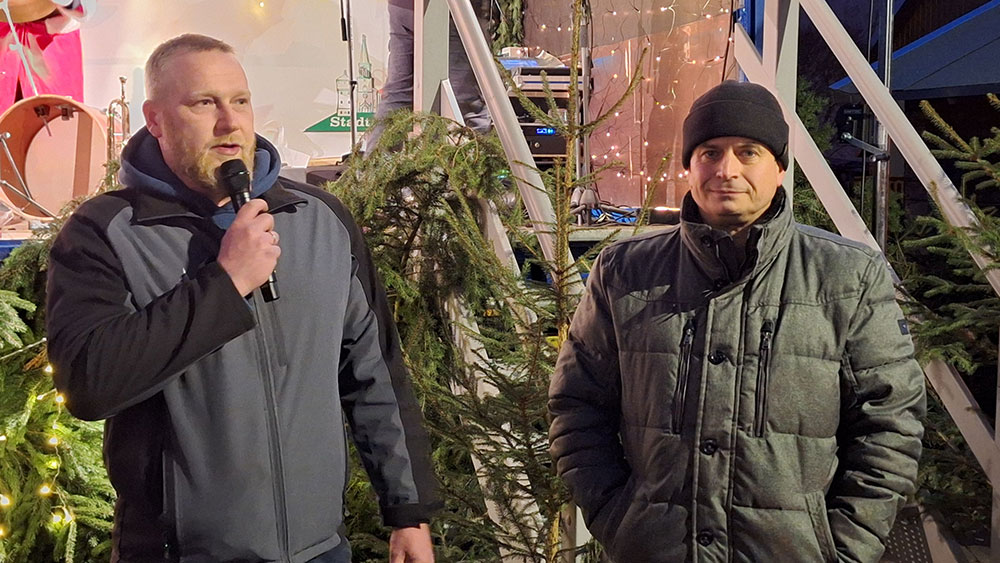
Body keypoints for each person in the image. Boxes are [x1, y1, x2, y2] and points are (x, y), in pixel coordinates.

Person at [46, 33, 438, 563]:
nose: (229, 122)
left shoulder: (320, 220)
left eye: (240, 101)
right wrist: (225, 283)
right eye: (204, 103)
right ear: (155, 119)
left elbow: (375, 372)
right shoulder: (106, 232)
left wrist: (408, 511)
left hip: (320, 550)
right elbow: (89, 383)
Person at [548, 80, 925, 562]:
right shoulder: (625, 272)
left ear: (779, 167)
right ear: (689, 166)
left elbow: (890, 421)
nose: (727, 170)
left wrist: (844, 548)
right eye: (710, 153)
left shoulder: (846, 276)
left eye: (748, 152)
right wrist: (617, 519)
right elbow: (577, 404)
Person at [363, 0, 491, 152]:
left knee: (398, 95)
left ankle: (375, 165)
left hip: (403, 7)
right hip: (453, 9)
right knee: (464, 102)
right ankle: (476, 163)